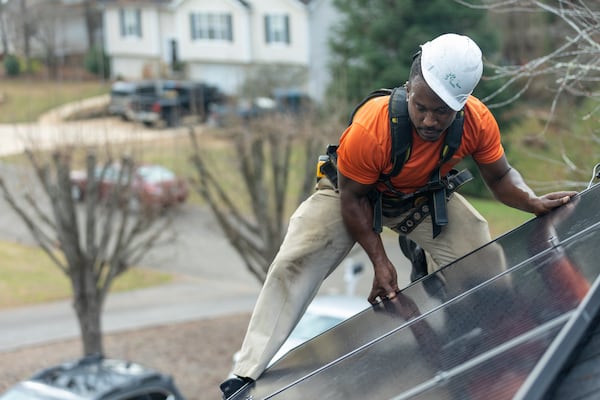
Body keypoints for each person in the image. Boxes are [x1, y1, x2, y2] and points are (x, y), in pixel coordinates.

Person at [219, 33, 577, 399]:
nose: (430, 120)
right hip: (351, 194)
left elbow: (500, 177)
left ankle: (496, 338)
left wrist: (531, 201)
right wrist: (380, 262)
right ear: (409, 88)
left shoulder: (477, 122)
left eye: (442, 112)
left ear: (462, 105)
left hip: (418, 198)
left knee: (482, 251)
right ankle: (247, 372)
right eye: (421, 106)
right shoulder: (371, 127)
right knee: (299, 256)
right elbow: (354, 199)